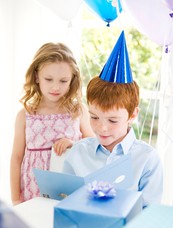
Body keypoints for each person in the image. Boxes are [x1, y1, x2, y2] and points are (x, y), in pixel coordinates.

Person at [63, 31, 163, 208]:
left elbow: (150, 212)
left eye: (113, 121)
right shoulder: (77, 153)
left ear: (133, 115)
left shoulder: (147, 159)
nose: (102, 128)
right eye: (94, 117)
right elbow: (64, 200)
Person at [10, 42, 94, 205]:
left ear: (72, 80)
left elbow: (92, 146)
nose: (55, 87)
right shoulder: (25, 115)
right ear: (36, 77)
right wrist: (15, 198)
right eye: (48, 79)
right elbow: (16, 158)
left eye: (63, 81)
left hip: (68, 185)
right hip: (33, 187)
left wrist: (73, 143)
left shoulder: (77, 111)